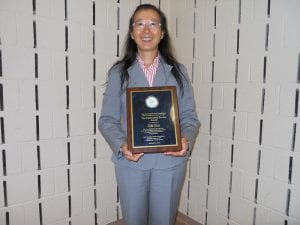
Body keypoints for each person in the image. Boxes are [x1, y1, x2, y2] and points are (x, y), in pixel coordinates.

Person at [99, 4, 200, 225]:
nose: (147, 30)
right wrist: (121, 145)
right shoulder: (118, 73)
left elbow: (190, 118)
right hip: (131, 163)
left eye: (153, 24)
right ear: (132, 32)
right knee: (134, 220)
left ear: (162, 33)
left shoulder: (179, 71)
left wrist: (186, 140)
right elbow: (106, 120)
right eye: (140, 24)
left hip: (170, 164)